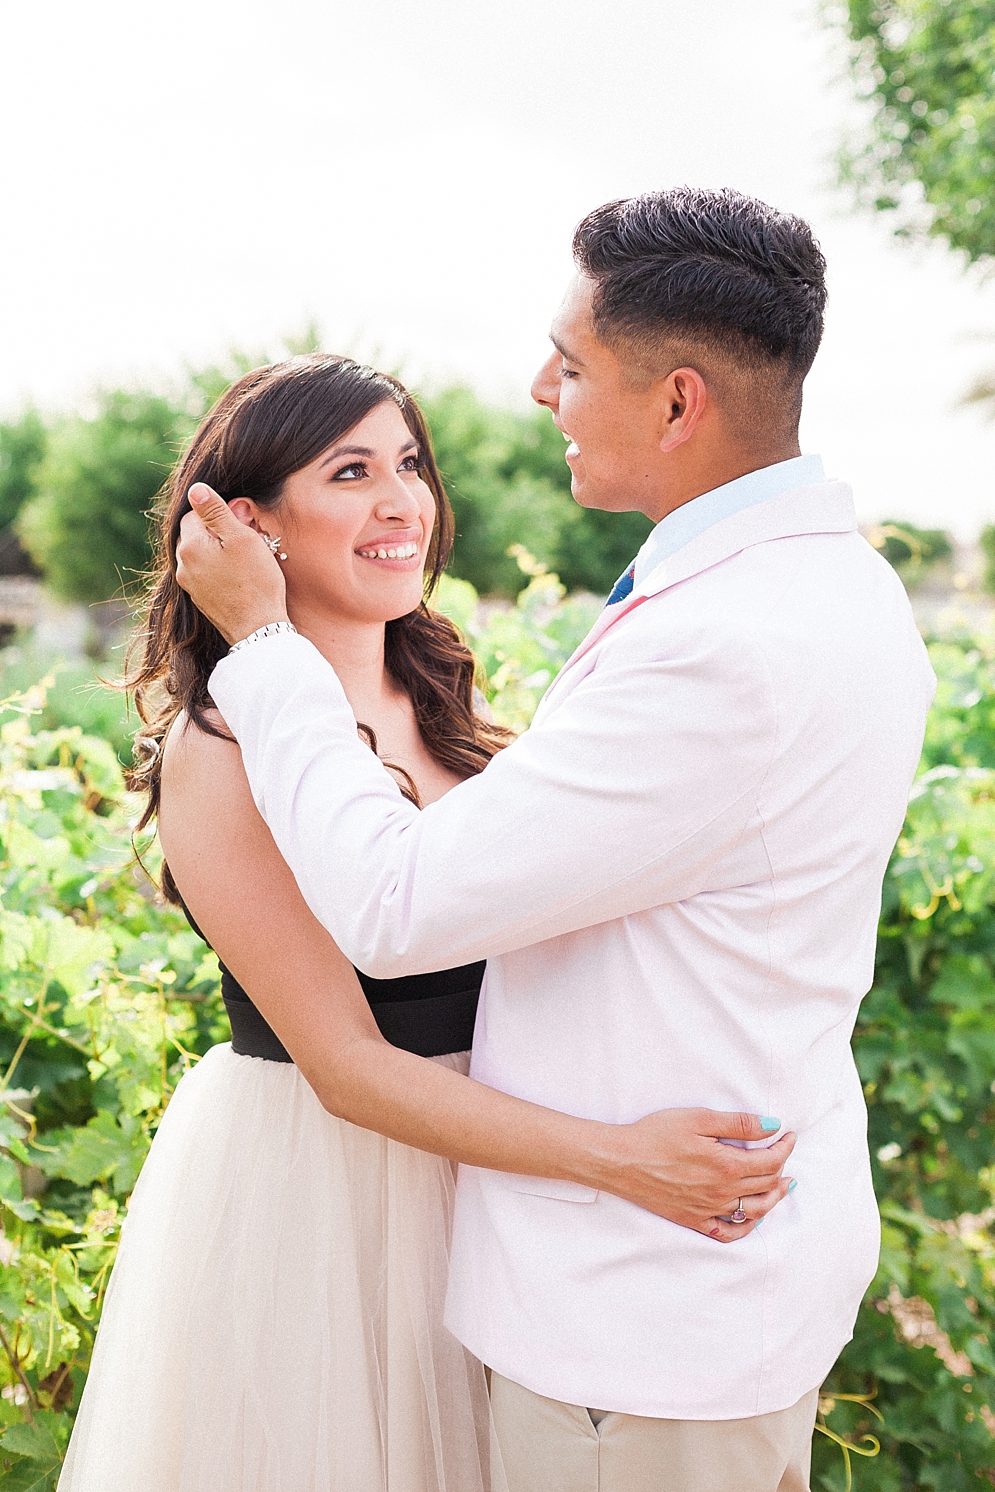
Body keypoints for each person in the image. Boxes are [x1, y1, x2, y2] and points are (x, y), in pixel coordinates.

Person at [176, 187, 937, 1492]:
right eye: (347, 468)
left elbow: (398, 903)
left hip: (634, 1331)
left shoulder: (716, 646)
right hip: (597, 1270)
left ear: (676, 401)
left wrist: (262, 644)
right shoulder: (831, 586)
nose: (537, 389)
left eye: (570, 363)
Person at [59, 354, 796, 1492]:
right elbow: (348, 1067)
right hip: (337, 1200)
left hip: (503, 1183)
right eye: (350, 472)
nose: (402, 501)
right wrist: (620, 1163)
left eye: (409, 464)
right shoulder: (220, 748)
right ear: (250, 525)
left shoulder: (451, 699)